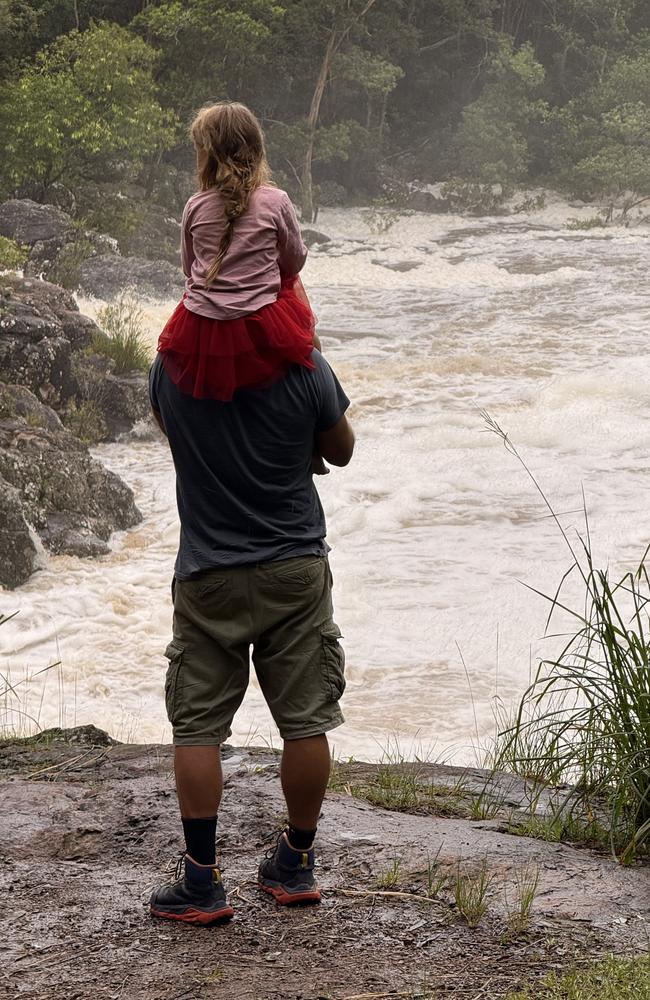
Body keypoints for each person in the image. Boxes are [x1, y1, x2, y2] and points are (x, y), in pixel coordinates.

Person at [148, 101, 355, 926]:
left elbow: (180, 441)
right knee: (305, 719)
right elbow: (339, 450)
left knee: (197, 724)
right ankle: (295, 865)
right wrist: (300, 444)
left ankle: (201, 881)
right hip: (295, 564)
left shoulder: (171, 373)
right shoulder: (303, 365)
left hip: (207, 570)